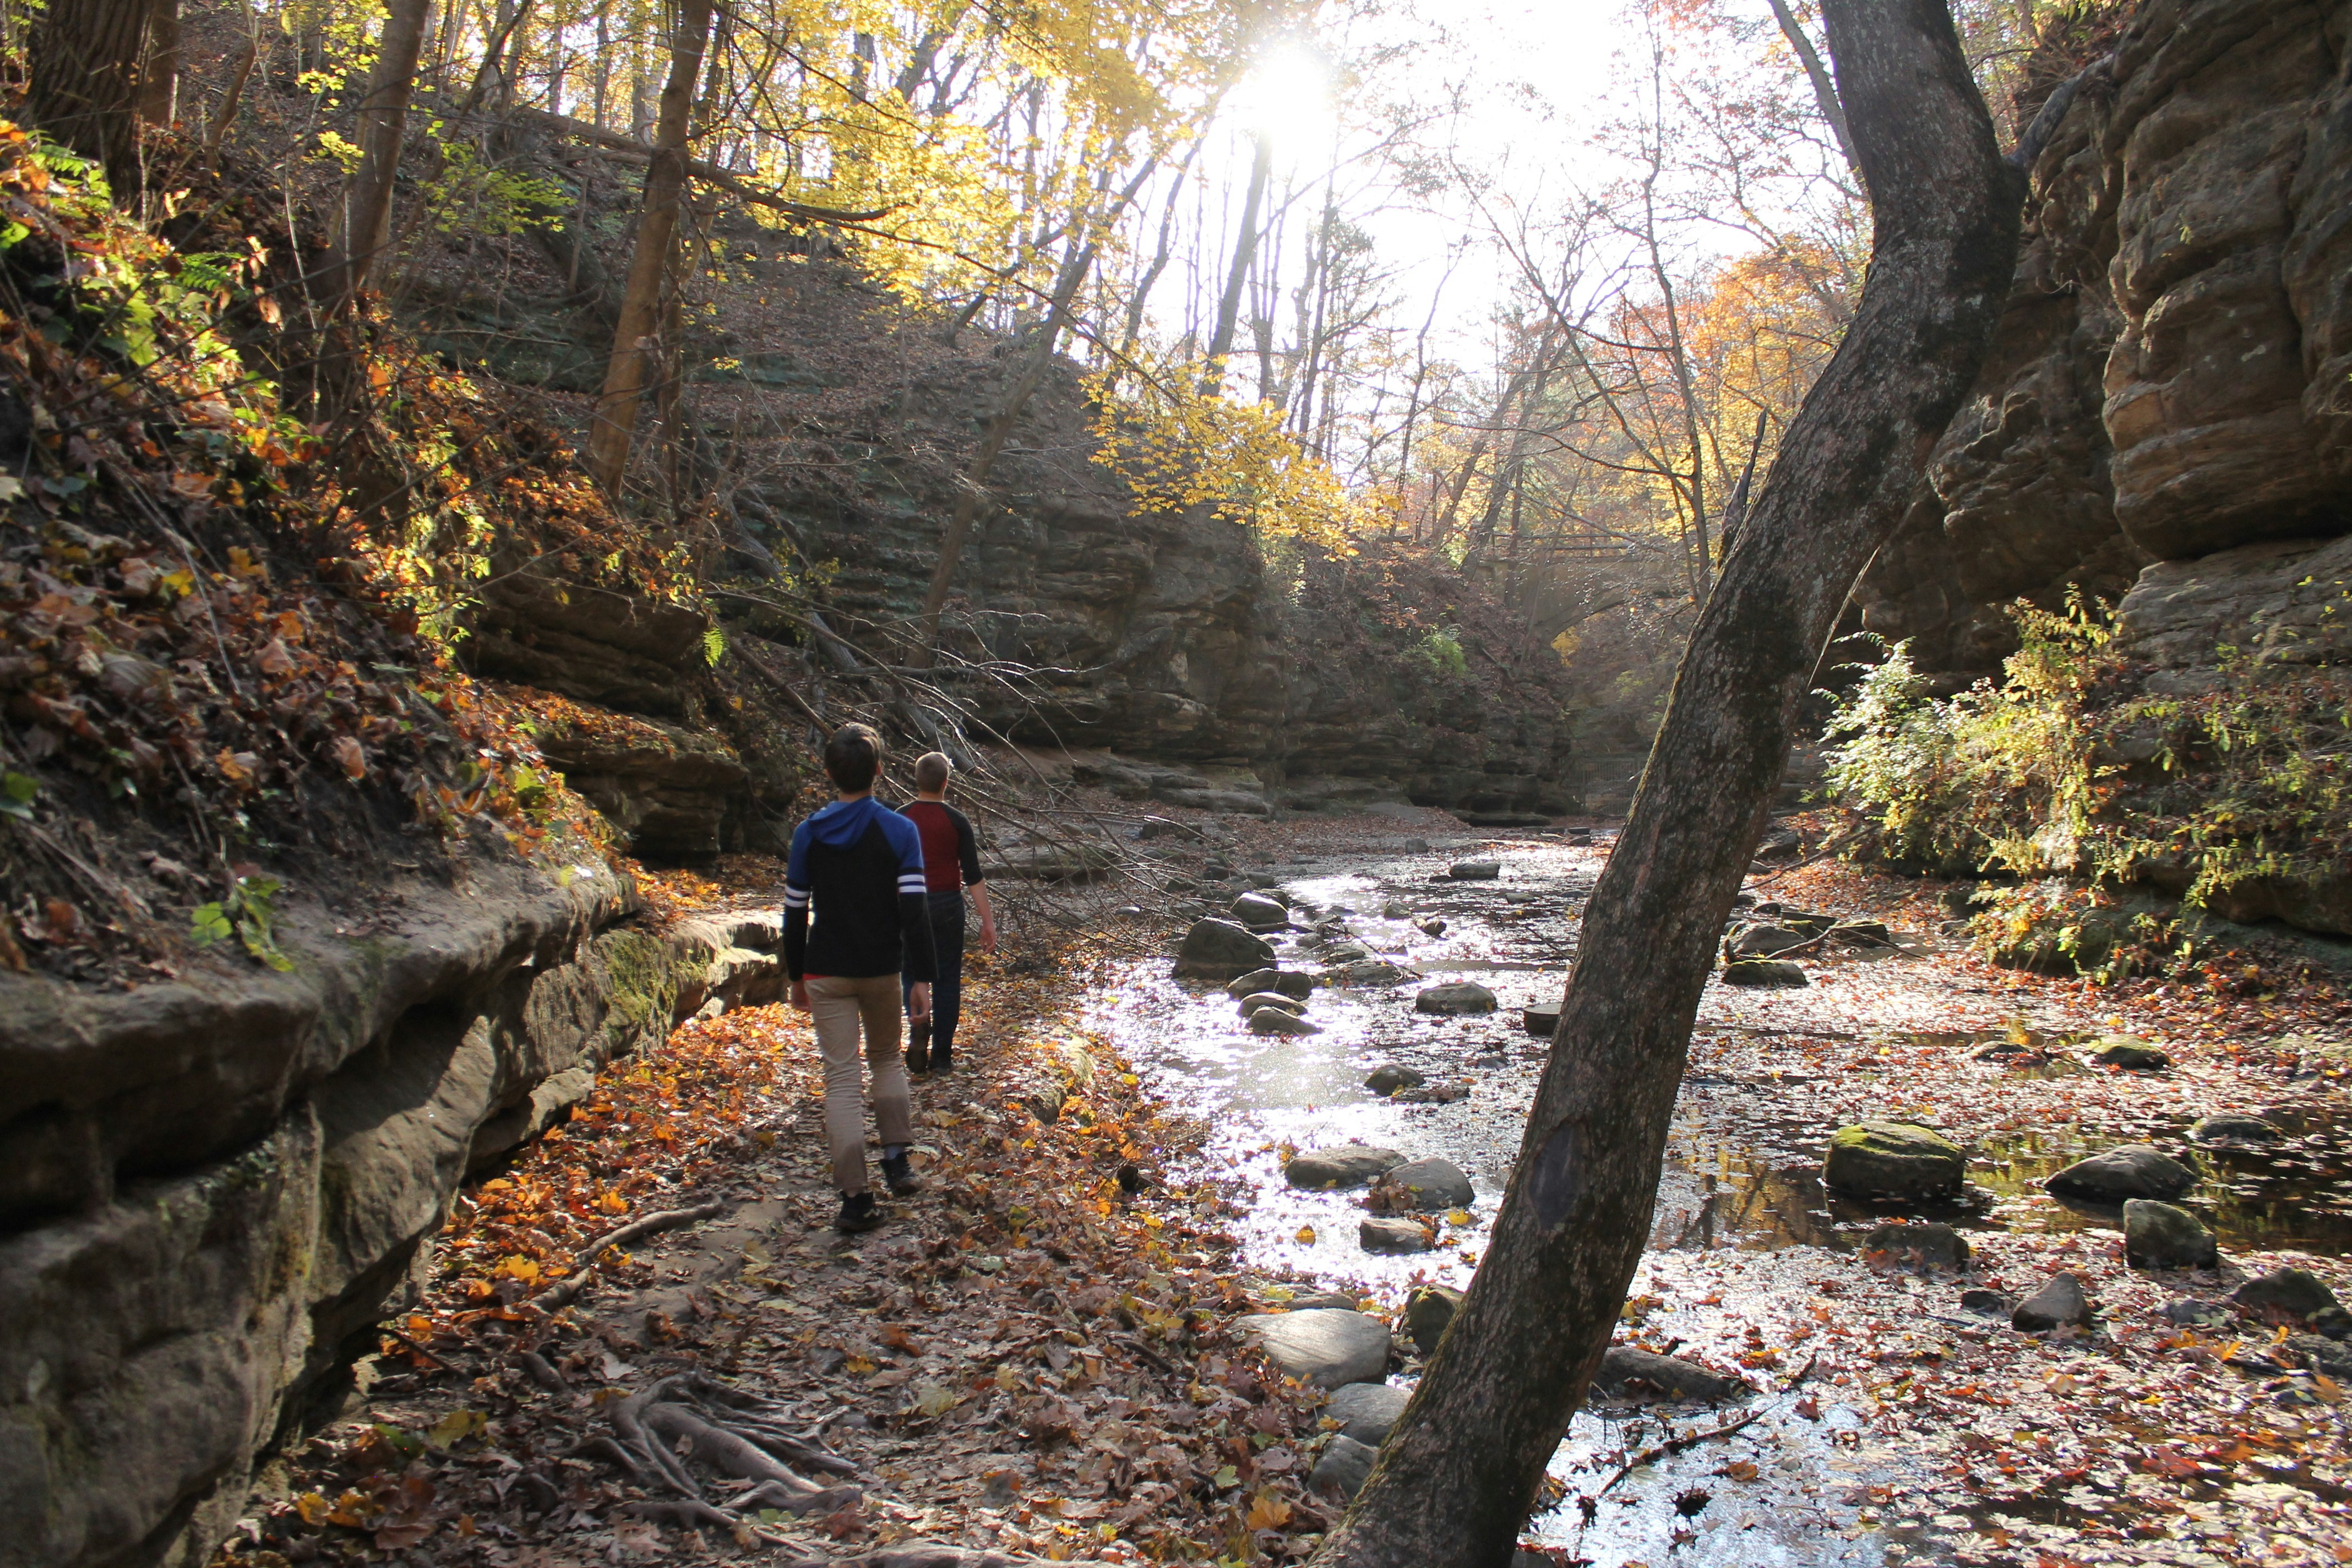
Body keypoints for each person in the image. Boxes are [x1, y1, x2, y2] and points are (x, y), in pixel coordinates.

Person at [785, 724, 938, 1234]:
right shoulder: (900, 831)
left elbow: (794, 913)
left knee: (842, 1080)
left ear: (829, 773)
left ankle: (855, 1200)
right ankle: (896, 1160)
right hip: (880, 967)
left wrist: (795, 975)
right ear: (879, 770)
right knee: (888, 1059)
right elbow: (914, 912)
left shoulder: (809, 833)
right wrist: (923, 978)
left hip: (826, 967)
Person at [895, 751, 997, 1074]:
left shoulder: (900, 818)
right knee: (947, 979)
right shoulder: (956, 821)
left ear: (916, 780)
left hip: (909, 906)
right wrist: (988, 921)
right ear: (946, 783)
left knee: (911, 973)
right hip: (947, 906)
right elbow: (973, 875)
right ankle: (942, 1056)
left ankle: (917, 1031)